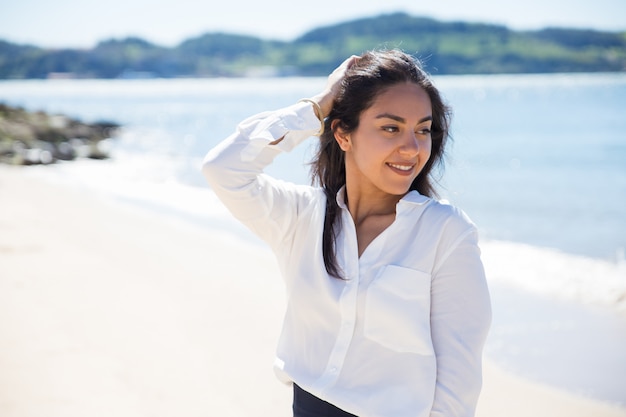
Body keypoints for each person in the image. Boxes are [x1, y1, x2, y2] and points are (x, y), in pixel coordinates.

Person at [202, 49, 492, 417]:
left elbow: (458, 380)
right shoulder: (301, 217)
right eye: (391, 127)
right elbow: (223, 168)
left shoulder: (447, 234)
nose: (412, 147)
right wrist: (318, 107)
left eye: (423, 129)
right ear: (343, 134)